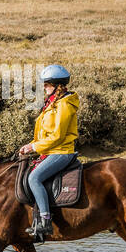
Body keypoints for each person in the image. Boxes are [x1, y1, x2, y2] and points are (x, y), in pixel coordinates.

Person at [18, 64, 80, 242]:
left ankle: (45, 220)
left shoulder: (64, 105)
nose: (44, 87)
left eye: (46, 84)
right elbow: (44, 134)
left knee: (34, 178)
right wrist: (30, 145)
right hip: (50, 150)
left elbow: (58, 136)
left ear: (56, 85)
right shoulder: (52, 104)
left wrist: (34, 148)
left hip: (61, 151)